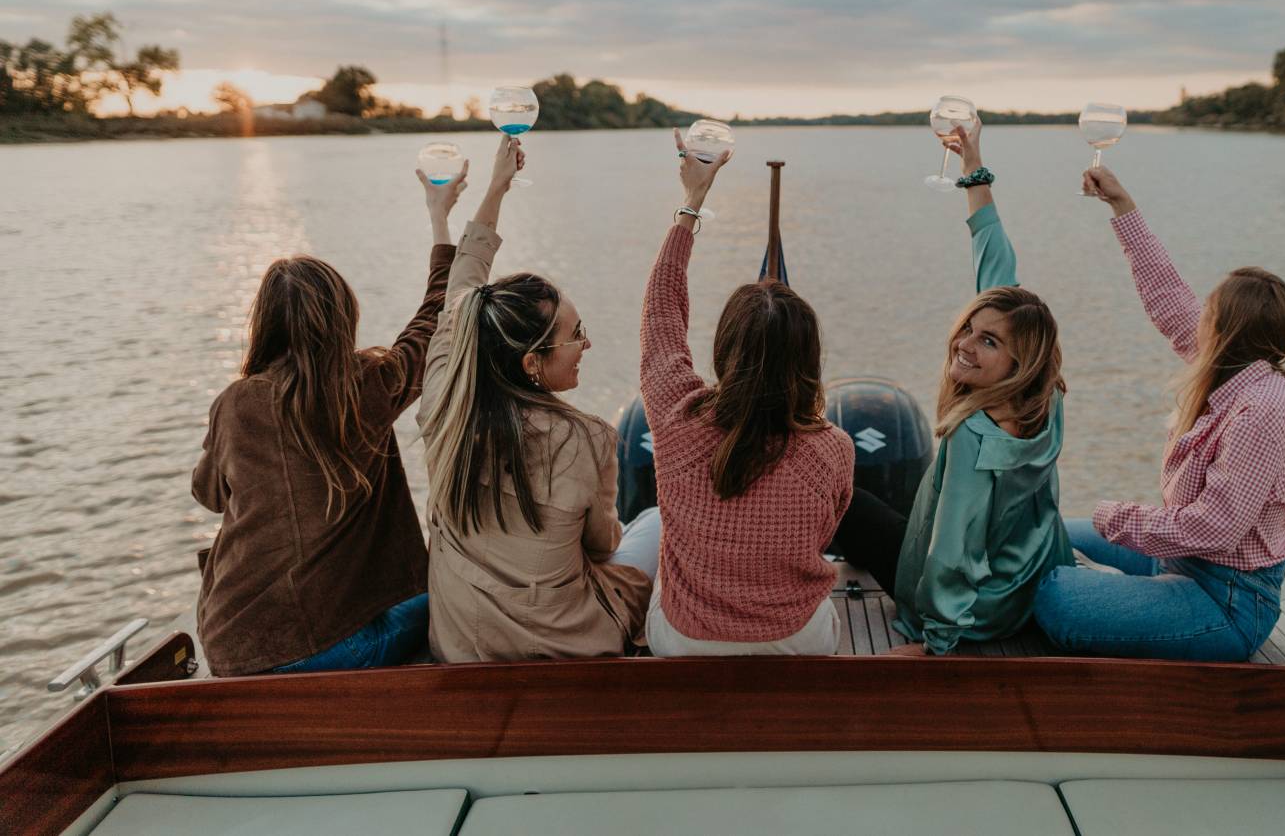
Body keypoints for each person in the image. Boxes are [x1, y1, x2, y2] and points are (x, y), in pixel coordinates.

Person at [192, 159, 467, 676]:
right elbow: (437, 315)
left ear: (265, 325)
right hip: (330, 650)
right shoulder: (367, 385)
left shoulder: (235, 402)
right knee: (461, 591)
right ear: (346, 318)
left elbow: (207, 495)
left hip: (232, 647)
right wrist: (439, 217)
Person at [1031, 165, 1285, 662]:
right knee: (1040, 535)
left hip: (1225, 602)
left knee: (1052, 596)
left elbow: (1214, 527)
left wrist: (1115, 516)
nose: (1197, 316)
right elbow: (1167, 297)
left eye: (1208, 313)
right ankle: (1121, 596)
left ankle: (1115, 600)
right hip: (1182, 563)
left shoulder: (1261, 409)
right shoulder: (1230, 368)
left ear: (1224, 330)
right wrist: (1122, 206)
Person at [833, 123, 1074, 655]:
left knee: (845, 501)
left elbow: (951, 553)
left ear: (1019, 359)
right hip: (1024, 586)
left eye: (987, 341)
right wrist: (973, 166)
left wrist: (933, 640)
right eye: (969, 328)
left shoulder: (974, 435)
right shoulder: (1047, 393)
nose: (964, 343)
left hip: (975, 614)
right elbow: (996, 267)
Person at [419, 136, 658, 661]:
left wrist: (496, 188)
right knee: (658, 523)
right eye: (577, 334)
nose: (587, 344)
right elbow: (601, 547)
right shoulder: (585, 438)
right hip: (564, 645)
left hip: (463, 645)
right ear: (531, 364)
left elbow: (461, 293)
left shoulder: (443, 401)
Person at [640, 130, 854, 656]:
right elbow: (824, 533)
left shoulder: (676, 418)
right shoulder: (832, 448)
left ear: (723, 348)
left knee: (650, 533)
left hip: (687, 641)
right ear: (808, 360)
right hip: (795, 641)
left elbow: (661, 312)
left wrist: (691, 203)